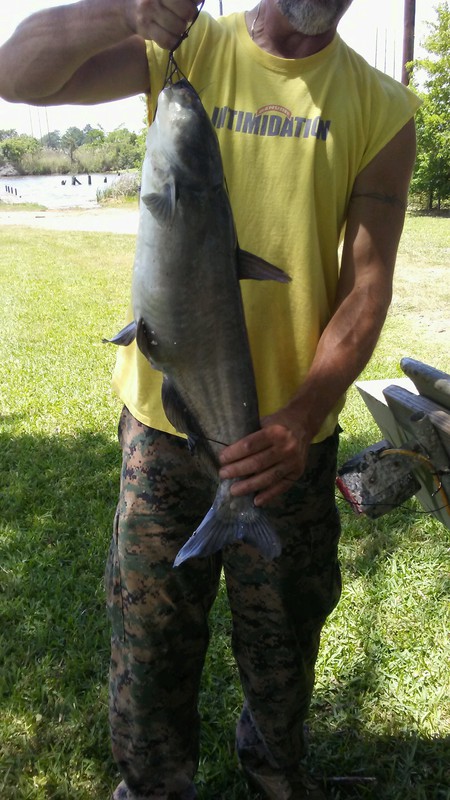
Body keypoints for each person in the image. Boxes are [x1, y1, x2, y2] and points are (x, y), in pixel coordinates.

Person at [0, 1, 420, 798]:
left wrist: (304, 415)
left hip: (288, 445)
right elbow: (16, 73)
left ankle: (277, 778)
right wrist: (122, 12)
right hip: (164, 433)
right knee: (150, 643)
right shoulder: (183, 47)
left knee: (283, 646)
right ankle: (153, 787)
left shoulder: (382, 108)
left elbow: (367, 287)